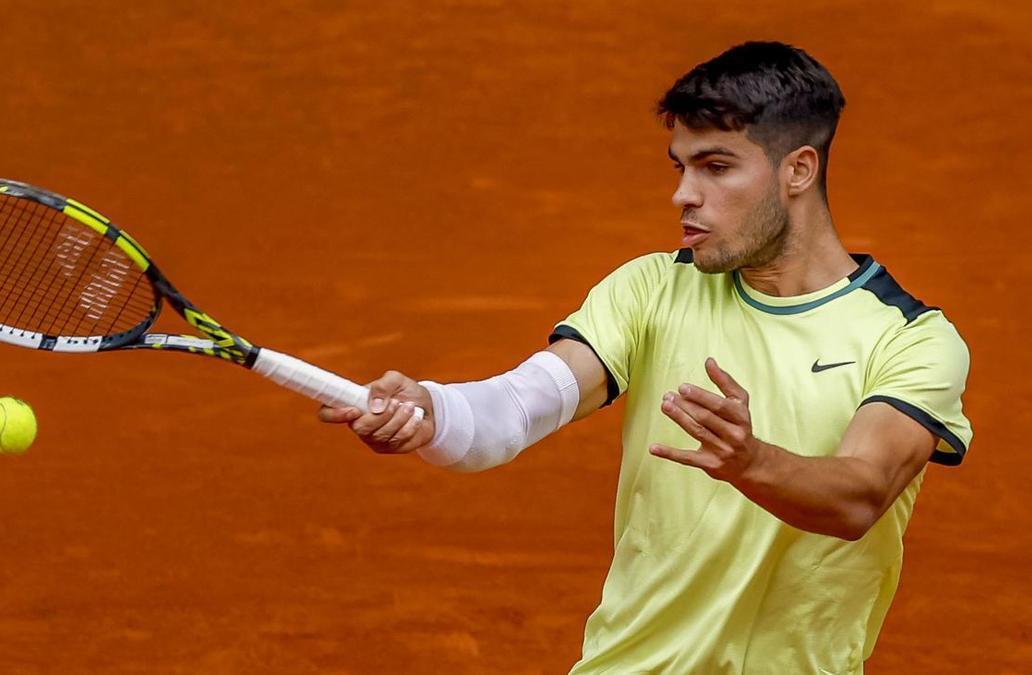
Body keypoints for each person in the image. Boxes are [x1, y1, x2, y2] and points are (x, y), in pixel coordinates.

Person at [318, 41, 972, 674]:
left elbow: (860, 496)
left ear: (797, 170)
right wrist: (436, 410)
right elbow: (519, 405)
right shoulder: (652, 289)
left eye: (715, 167)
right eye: (680, 166)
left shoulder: (910, 338)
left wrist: (752, 461)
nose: (683, 194)